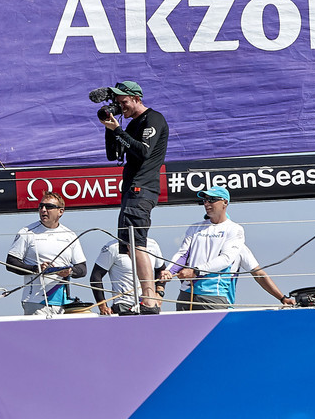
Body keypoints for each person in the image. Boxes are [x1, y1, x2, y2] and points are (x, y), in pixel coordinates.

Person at [99, 80, 168, 313]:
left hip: (142, 189)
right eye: (118, 103)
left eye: (124, 102)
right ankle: (145, 299)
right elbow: (113, 155)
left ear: (137, 98)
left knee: (137, 244)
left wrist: (118, 131)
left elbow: (144, 152)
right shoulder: (132, 125)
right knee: (129, 246)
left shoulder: (153, 119)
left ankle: (149, 299)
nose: (121, 107)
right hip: (131, 190)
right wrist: (110, 129)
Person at [161, 186, 249, 310]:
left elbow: (225, 259)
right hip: (186, 293)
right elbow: (183, 254)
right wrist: (169, 271)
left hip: (213, 295)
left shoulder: (235, 229)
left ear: (225, 202)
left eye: (212, 200)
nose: (207, 203)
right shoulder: (194, 227)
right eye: (205, 200)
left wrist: (196, 271)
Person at [6, 192, 88, 316]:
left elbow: (82, 269)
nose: (43, 210)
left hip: (63, 303)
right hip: (35, 301)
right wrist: (37, 268)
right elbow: (11, 263)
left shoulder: (70, 235)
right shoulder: (27, 232)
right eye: (41, 206)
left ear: (60, 211)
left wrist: (69, 271)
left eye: (49, 207)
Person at [89, 235, 165, 315]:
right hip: (123, 305)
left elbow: (161, 270)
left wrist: (159, 294)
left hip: (149, 305)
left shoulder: (153, 244)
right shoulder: (112, 247)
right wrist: (103, 307)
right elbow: (96, 277)